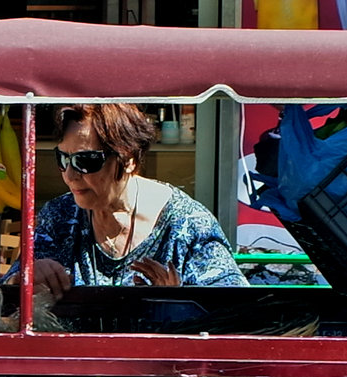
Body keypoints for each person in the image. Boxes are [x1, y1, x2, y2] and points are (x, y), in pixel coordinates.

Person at [32, 104, 244, 297]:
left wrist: (178, 302)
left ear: (129, 159)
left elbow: (237, 309)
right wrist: (27, 277)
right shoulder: (59, 217)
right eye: (62, 159)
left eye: (85, 161)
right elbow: (6, 302)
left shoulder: (188, 224)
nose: (70, 175)